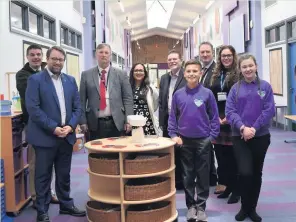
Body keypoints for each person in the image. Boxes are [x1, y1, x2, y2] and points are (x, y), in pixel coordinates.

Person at [25, 46, 85, 222]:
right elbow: (33, 109)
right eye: (54, 59)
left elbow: (77, 107)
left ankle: (66, 204)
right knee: (43, 176)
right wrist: (53, 127)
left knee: (64, 174)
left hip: (66, 136)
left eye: (60, 59)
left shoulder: (70, 80)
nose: (57, 62)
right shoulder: (35, 80)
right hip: (45, 137)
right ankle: (42, 210)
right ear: (47, 59)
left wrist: (71, 126)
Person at [168, 60, 220, 221]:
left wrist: (211, 137)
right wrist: (173, 135)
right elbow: (172, 118)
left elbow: (214, 117)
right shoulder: (178, 95)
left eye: (195, 71)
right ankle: (191, 206)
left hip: (203, 141)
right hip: (184, 141)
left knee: (203, 176)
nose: (191, 74)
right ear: (184, 74)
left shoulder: (207, 93)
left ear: (200, 73)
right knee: (187, 176)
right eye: (188, 71)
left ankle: (201, 207)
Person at [226, 54, 275, 222]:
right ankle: (244, 206)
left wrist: (253, 128)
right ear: (240, 69)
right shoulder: (235, 88)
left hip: (260, 136)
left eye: (250, 66)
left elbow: (269, 110)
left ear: (256, 66)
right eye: (244, 67)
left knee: (256, 173)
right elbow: (230, 111)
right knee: (245, 172)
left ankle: (251, 208)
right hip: (239, 136)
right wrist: (242, 127)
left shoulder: (265, 87)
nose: (247, 69)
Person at [15, 44, 58, 208]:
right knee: (35, 162)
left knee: (50, 161)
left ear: (43, 57)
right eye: (32, 55)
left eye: (39, 54)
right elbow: (37, 98)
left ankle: (49, 192)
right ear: (27, 57)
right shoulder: (22, 75)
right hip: (34, 124)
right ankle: (36, 197)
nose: (36, 57)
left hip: (50, 124)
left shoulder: (46, 73)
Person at [79, 43, 133, 139]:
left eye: (106, 52)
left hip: (117, 122)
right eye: (101, 52)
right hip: (94, 124)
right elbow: (81, 101)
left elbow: (128, 99)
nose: (104, 55)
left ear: (110, 55)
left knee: (117, 152)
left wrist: (129, 120)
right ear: (96, 55)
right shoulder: (86, 75)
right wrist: (82, 121)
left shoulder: (121, 74)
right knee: (97, 152)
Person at [209, 45, 240, 204]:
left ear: (234, 57)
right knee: (221, 158)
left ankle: (236, 190)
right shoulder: (216, 74)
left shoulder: (239, 74)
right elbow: (212, 97)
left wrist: (229, 117)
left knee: (233, 158)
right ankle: (227, 186)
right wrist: (215, 117)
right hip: (217, 122)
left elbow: (242, 100)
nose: (226, 58)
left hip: (233, 122)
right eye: (223, 56)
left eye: (229, 55)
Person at [159, 49, 186, 190]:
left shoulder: (186, 76)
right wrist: (161, 122)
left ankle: (182, 181)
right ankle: (171, 178)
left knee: (182, 151)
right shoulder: (164, 78)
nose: (172, 62)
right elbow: (162, 101)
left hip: (183, 120)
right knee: (169, 151)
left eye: (175, 59)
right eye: (169, 60)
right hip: (168, 120)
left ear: (180, 60)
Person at [199, 41, 219, 189]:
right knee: (208, 149)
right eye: (202, 52)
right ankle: (213, 177)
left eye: (207, 52)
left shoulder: (217, 70)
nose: (205, 54)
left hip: (215, 116)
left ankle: (218, 179)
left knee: (219, 150)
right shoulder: (200, 69)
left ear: (213, 53)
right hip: (202, 117)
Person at [129, 63, 159, 135]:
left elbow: (156, 101)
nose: (138, 72)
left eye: (141, 70)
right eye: (136, 70)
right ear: (132, 73)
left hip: (146, 121)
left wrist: (150, 109)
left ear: (145, 73)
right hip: (131, 122)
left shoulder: (150, 87)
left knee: (147, 144)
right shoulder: (128, 86)